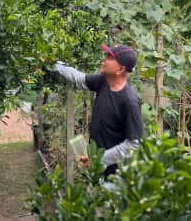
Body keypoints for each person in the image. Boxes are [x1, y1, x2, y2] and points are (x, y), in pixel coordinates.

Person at [53, 44, 144, 176]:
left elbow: (133, 145)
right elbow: (79, 79)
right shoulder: (104, 82)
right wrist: (56, 64)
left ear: (120, 69)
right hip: (96, 170)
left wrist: (99, 159)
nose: (104, 60)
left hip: (116, 176)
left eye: (109, 57)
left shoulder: (129, 101)